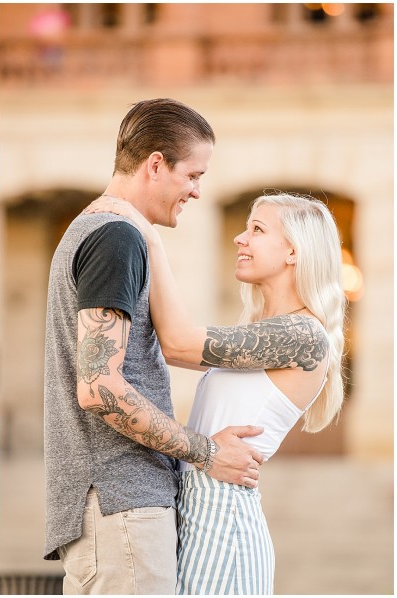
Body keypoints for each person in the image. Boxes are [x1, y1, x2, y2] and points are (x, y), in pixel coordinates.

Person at [44, 98, 266, 595]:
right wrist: (208, 452)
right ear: (156, 164)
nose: (198, 191)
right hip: (122, 505)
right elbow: (99, 388)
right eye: (192, 175)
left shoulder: (110, 231)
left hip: (112, 507)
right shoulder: (114, 238)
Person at [86, 192, 344, 594]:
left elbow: (176, 342)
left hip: (224, 520)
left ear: (294, 251)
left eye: (257, 230)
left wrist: (149, 238)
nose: (240, 238)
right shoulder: (270, 330)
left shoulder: (303, 335)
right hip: (202, 509)